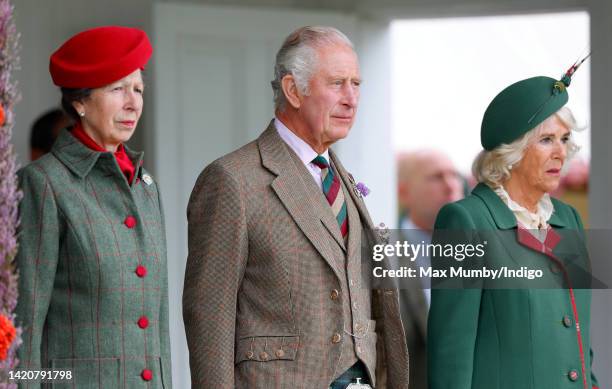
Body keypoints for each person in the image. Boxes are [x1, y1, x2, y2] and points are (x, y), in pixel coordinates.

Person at [183, 26, 409, 389]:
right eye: (337, 83)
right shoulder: (231, 179)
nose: (352, 98)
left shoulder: (343, 180)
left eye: (357, 84)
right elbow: (209, 316)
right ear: (293, 90)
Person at [16, 26, 172, 388]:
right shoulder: (45, 184)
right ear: (80, 102)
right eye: (117, 89)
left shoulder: (146, 188)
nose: (133, 102)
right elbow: (26, 319)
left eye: (138, 89)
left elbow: (158, 324)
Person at [428, 66, 599, 388]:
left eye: (564, 139)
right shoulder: (465, 222)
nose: (561, 152)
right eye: (546, 140)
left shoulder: (569, 219)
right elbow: (451, 352)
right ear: (512, 151)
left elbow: (577, 340)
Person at [396, 150, 463, 389]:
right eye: (436, 177)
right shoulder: (378, 257)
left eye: (454, 175)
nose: (450, 185)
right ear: (403, 192)